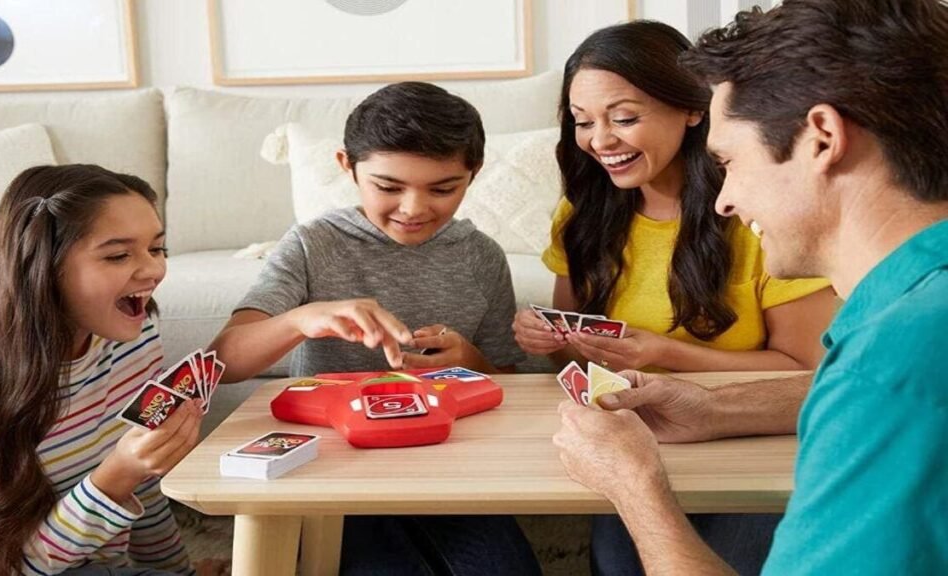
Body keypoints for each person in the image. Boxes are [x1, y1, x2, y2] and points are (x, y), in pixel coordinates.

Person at [554, 0, 948, 574]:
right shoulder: (908, 316)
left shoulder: (892, 362)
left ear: (821, 138)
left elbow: (880, 387)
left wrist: (632, 485)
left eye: (731, 160)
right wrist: (716, 409)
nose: (724, 198)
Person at [512, 21, 836, 575]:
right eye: (583, 122)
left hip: (749, 441)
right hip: (635, 437)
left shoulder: (757, 214)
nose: (600, 141)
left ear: (691, 109)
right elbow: (576, 359)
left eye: (624, 117)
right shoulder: (583, 216)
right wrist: (550, 338)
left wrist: (664, 353)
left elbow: (809, 369)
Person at [210, 82, 540, 575]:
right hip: (335, 464)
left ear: (474, 174)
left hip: (445, 463)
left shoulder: (481, 257)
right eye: (388, 187)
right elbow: (225, 362)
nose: (413, 208)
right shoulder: (312, 245)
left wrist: (472, 363)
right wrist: (304, 317)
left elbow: (507, 385)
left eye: (443, 188)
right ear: (347, 166)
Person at [0, 165, 201, 575]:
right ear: (42, 265)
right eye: (119, 255)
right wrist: (118, 473)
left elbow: (145, 487)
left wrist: (179, 572)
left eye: (157, 249)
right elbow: (2, 566)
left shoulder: (136, 336)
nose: (154, 271)